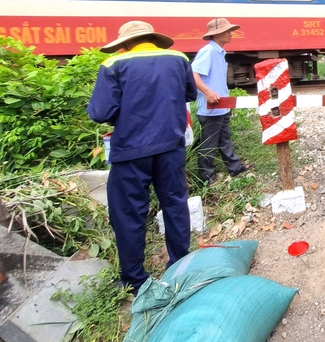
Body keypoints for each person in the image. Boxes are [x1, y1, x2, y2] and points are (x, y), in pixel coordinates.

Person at [88, 21, 197, 295]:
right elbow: (189, 94)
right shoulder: (178, 58)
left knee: (129, 213)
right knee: (174, 203)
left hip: (131, 151)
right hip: (171, 146)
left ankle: (135, 280)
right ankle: (179, 266)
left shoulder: (114, 64)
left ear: (125, 44)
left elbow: (100, 112)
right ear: (153, 40)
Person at [191, 18, 251, 185]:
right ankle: (206, 178)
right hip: (211, 108)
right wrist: (208, 92)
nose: (230, 34)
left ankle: (235, 167)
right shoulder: (208, 51)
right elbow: (193, 74)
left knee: (224, 139)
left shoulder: (218, 52)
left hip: (221, 106)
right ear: (217, 34)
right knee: (209, 143)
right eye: (227, 31)